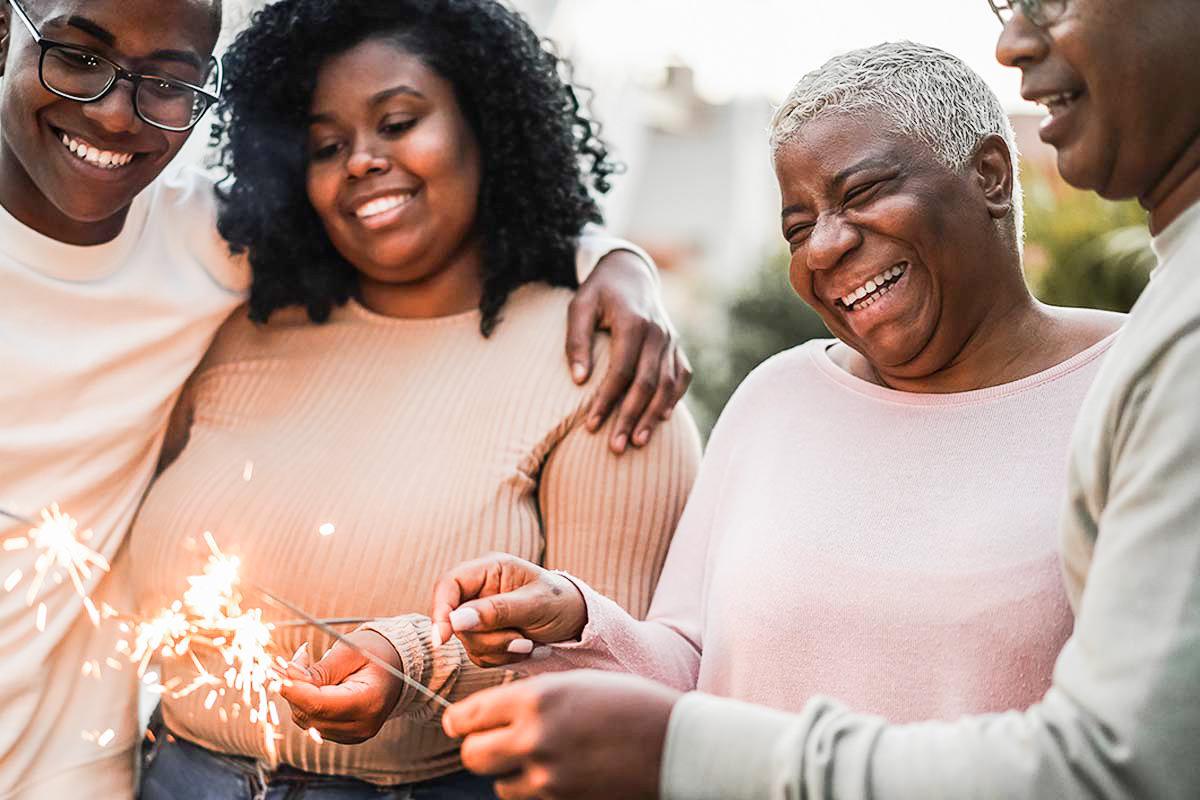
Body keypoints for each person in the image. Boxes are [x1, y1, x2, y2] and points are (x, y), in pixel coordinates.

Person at [434, 1, 1200, 797]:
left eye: (863, 191)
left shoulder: (1140, 376)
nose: (826, 246)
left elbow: (1124, 753)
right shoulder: (777, 399)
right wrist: (579, 619)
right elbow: (696, 668)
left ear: (990, 176)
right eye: (798, 227)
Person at [0, 0, 690, 796]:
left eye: (398, 123)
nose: (361, 162)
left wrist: (616, 255)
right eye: (326, 145)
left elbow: (610, 675)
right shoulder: (244, 315)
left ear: (490, 127)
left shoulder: (603, 360)